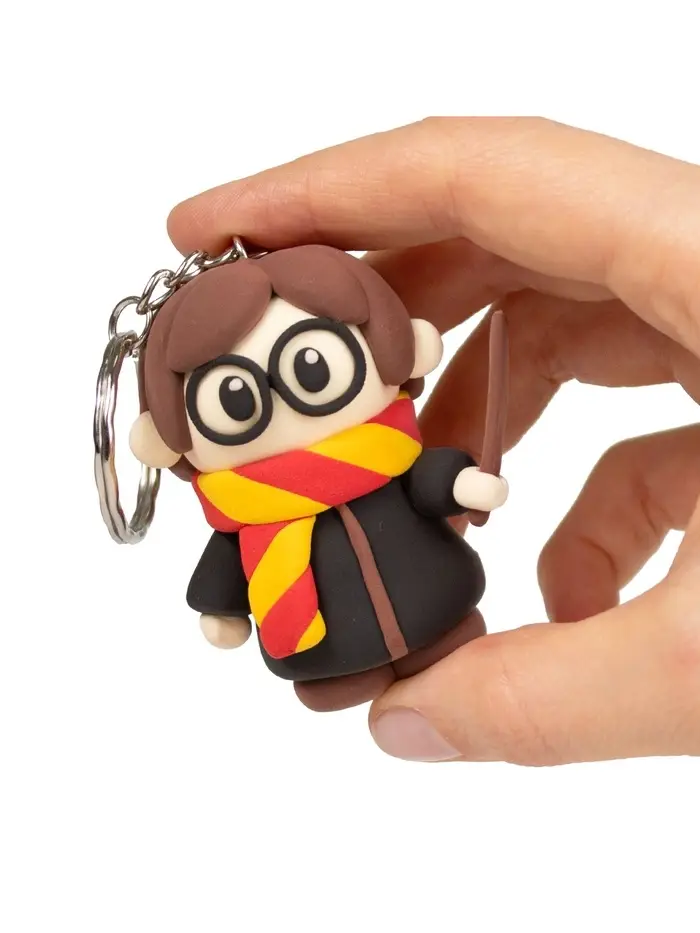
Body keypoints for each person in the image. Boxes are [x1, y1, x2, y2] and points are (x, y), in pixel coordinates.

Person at [166, 117, 700, 765]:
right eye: (234, 396)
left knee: (447, 633)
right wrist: (221, 608)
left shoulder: (388, 459)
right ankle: (336, 680)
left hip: (437, 604)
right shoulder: (246, 516)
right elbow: (226, 563)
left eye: (311, 364)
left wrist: (464, 482)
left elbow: (428, 481)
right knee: (329, 678)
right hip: (323, 653)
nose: (278, 394)